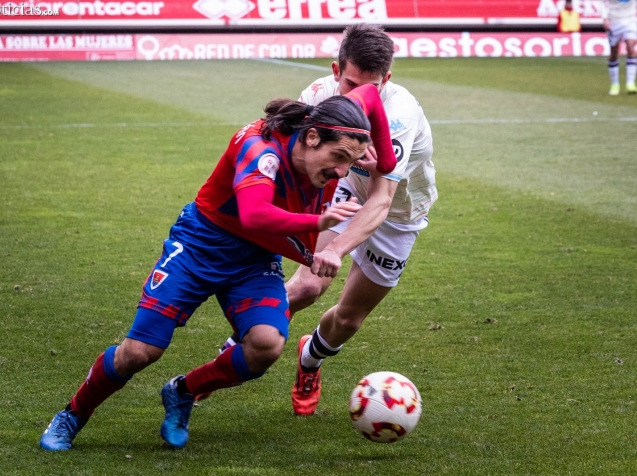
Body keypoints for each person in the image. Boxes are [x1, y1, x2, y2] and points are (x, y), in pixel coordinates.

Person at [39, 84, 396, 451]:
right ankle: (73, 414)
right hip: (200, 246)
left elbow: (368, 93)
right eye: (338, 157)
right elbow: (254, 215)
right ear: (311, 136)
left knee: (266, 345)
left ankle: (183, 391)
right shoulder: (260, 149)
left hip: (254, 258)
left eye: (349, 163)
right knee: (139, 353)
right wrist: (317, 225)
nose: (340, 172)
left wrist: (384, 161)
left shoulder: (337, 122)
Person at [215, 23, 437, 416]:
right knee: (306, 287)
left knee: (349, 319)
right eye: (349, 84)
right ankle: (229, 356)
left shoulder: (399, 115)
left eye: (370, 86)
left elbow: (382, 201)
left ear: (387, 78)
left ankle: (310, 359)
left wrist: (335, 249)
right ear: (336, 71)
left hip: (398, 212)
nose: (357, 97)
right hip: (342, 192)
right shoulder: (318, 95)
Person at [603, 0, 637, 95]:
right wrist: (605, 18)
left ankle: (630, 83)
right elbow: (602, 3)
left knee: (631, 47)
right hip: (614, 21)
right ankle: (615, 84)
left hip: (630, 20)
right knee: (614, 53)